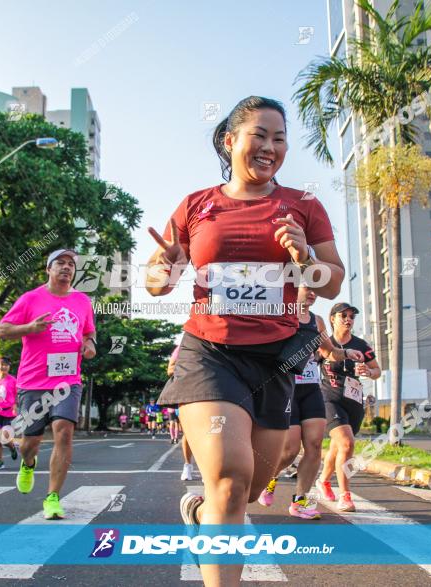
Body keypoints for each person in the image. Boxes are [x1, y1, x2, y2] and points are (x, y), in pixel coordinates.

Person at [146, 96, 343, 586]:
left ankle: (201, 515)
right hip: (210, 353)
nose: (270, 147)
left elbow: (331, 284)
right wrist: (165, 264)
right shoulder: (197, 205)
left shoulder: (304, 206)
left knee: (252, 488)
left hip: (277, 359)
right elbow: (157, 281)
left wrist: (303, 255)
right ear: (230, 141)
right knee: (230, 480)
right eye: (259, 134)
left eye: (279, 138)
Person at [0, 248, 97, 520]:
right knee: (31, 442)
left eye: (70, 264)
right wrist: (29, 328)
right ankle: (28, 464)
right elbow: (2, 330)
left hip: (68, 380)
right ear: (48, 270)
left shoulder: (82, 301)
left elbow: (89, 332)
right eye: (60, 263)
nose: (66, 268)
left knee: (63, 431)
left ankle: (53, 497)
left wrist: (89, 346)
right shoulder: (31, 299)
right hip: (33, 381)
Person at [257, 287, 366, 519]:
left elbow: (329, 352)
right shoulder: (281, 315)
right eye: (307, 289)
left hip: (311, 388)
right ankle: (269, 480)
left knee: (315, 445)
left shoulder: (316, 321)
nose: (312, 293)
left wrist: (347, 354)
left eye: (315, 290)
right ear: (292, 289)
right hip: (287, 388)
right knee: (289, 450)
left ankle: (300, 501)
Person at [315, 302, 381, 512]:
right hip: (329, 398)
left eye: (351, 316)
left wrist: (368, 372)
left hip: (354, 401)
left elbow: (377, 370)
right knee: (346, 444)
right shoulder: (324, 344)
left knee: (338, 447)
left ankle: (323, 481)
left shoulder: (362, 345)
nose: (348, 319)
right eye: (343, 315)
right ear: (332, 318)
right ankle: (345, 496)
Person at [168, 344, 194, 479]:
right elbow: (170, 369)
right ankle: (187, 465)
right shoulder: (185, 345)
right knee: (189, 433)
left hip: (217, 393)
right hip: (189, 394)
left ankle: (208, 469)